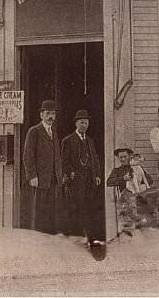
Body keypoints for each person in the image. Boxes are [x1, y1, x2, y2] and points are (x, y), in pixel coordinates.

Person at [61, 109, 105, 255]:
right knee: (77, 209)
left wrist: (97, 175)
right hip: (76, 182)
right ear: (76, 123)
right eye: (81, 122)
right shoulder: (68, 140)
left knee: (90, 208)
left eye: (86, 123)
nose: (84, 125)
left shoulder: (90, 141)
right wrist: (70, 172)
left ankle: (90, 239)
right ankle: (76, 239)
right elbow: (64, 161)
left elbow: (95, 160)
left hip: (89, 182)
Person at [22, 99, 63, 234]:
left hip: (52, 179)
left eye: (53, 114)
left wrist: (59, 175)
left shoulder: (54, 132)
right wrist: (32, 176)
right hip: (39, 179)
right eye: (48, 114)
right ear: (41, 115)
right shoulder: (34, 131)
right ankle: (38, 239)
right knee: (39, 211)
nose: (51, 117)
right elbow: (28, 156)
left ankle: (50, 237)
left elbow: (56, 156)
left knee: (51, 211)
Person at [106, 147, 139, 235]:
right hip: (124, 200)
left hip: (137, 198)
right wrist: (123, 178)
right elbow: (108, 182)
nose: (123, 159)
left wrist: (138, 177)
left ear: (130, 156)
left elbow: (149, 180)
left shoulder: (136, 168)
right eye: (121, 157)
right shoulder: (117, 171)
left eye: (125, 156)